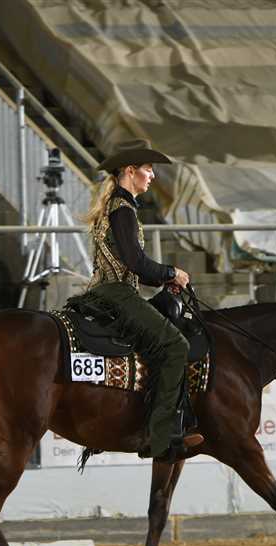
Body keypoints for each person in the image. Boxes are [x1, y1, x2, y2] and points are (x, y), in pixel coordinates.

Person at [68, 138, 204, 463]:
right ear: (131, 171)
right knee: (176, 346)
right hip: (116, 294)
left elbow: (133, 266)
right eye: (148, 169)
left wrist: (162, 279)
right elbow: (136, 262)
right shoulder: (123, 208)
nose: (152, 176)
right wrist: (171, 272)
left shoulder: (117, 205)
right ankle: (162, 437)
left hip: (107, 290)